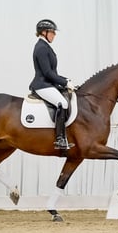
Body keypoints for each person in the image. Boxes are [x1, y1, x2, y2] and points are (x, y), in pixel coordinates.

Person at [29, 19, 76, 150]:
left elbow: (53, 73)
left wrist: (67, 81)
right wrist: (65, 82)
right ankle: (60, 138)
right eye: (52, 32)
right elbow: (48, 72)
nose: (54, 35)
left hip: (48, 84)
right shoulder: (41, 48)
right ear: (44, 32)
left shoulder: (46, 46)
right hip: (42, 85)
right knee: (63, 103)